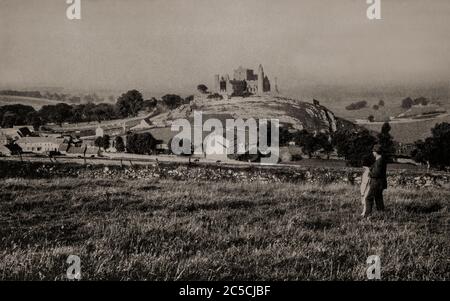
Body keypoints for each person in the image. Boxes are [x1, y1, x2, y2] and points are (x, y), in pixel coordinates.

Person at [362, 144, 387, 217]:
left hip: (376, 183)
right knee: (378, 199)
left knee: (368, 198)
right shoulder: (381, 160)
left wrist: (368, 171)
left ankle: (367, 215)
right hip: (380, 183)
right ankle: (381, 214)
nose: (373, 153)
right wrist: (370, 168)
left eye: (373, 151)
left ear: (376, 152)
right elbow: (377, 170)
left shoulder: (379, 161)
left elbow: (376, 173)